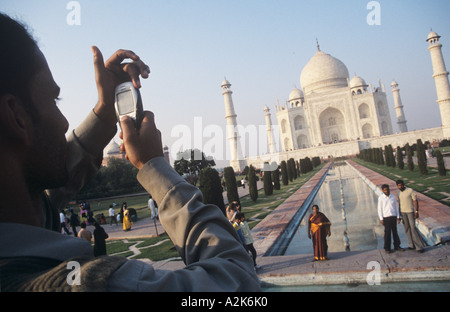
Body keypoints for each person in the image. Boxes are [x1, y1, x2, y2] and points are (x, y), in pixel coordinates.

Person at [0, 13, 259, 292]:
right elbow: (238, 280)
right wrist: (154, 167)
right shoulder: (95, 285)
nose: (64, 121)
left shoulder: (22, 225)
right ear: (16, 115)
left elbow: (41, 192)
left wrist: (104, 111)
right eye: (53, 99)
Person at [396, 180, 425, 253]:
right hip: (403, 212)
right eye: (398, 185)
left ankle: (419, 247)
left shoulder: (410, 190)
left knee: (413, 228)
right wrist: (399, 214)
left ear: (403, 184)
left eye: (401, 185)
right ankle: (411, 245)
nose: (400, 187)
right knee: (407, 228)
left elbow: (415, 200)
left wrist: (416, 211)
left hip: (410, 211)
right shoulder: (398, 192)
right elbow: (399, 203)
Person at [377, 184, 404, 254]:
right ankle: (387, 248)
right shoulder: (381, 198)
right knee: (387, 233)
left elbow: (396, 207)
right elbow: (379, 209)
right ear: (382, 190)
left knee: (395, 232)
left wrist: (398, 216)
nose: (386, 191)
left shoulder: (392, 196)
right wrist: (381, 219)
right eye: (385, 190)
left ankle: (397, 246)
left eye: (387, 189)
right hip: (386, 217)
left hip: (393, 216)